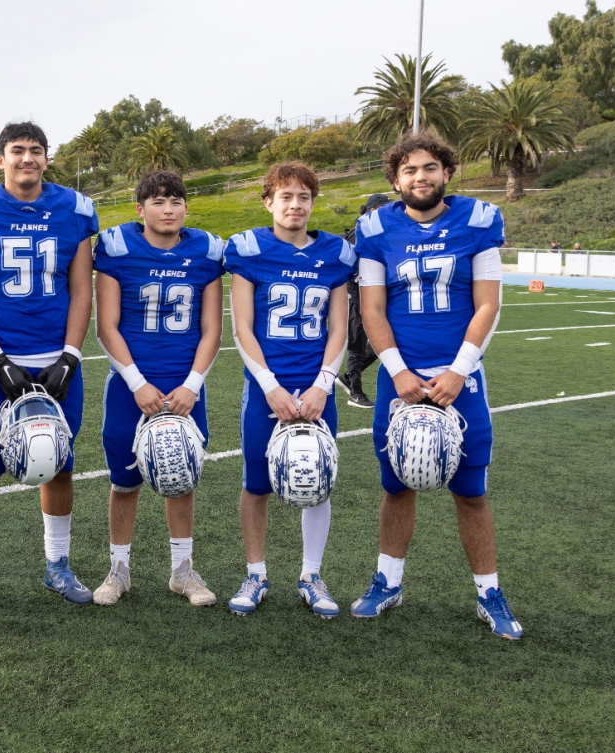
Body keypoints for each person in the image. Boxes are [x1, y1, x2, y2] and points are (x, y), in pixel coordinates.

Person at [350, 130, 522, 640]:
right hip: (398, 377)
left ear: (446, 171)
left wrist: (459, 369)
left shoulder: (478, 220)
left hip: (459, 376)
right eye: (409, 170)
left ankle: (489, 592)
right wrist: (398, 371)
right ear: (394, 179)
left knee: (470, 491)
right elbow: (372, 309)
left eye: (429, 168)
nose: (419, 177)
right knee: (396, 484)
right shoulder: (375, 227)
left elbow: (489, 304)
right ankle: (389, 581)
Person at [0, 122, 98, 615]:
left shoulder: (75, 209)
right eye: (17, 151)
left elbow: (80, 289)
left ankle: (58, 564)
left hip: (56, 357)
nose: (26, 158)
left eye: (35, 151)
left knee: (59, 465)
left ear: (47, 159)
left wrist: (71, 354)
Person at [222, 161, 354, 617]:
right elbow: (241, 327)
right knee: (256, 483)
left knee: (318, 480)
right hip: (266, 387)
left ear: (313, 203)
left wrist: (323, 385)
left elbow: (339, 329)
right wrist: (270, 387)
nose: (295, 205)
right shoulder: (248, 249)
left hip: (316, 388)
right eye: (286, 197)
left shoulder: (335, 253)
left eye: (303, 197)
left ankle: (311, 575)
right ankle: (256, 572)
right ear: (268, 202)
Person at [91, 170, 224, 607]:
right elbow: (106, 326)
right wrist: (136, 383)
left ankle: (183, 572)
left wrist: (192, 385)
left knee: (181, 478)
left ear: (187, 207)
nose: (168, 210)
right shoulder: (117, 247)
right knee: (124, 482)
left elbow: (211, 331)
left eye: (175, 201)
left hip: (184, 386)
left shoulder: (206, 251)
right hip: (132, 386)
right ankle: (118, 570)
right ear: (140, 208)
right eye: (158, 202)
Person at [336, 193, 392, 408]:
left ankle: (349, 377)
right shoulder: (359, 234)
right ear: (371, 210)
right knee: (358, 343)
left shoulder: (381, 233)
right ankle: (355, 392)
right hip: (358, 294)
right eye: (383, 209)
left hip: (377, 294)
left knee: (385, 341)